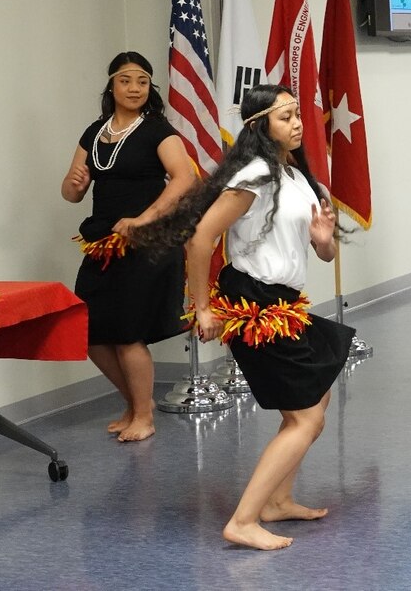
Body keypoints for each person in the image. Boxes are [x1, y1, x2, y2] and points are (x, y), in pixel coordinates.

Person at [133, 84, 354, 551]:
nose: (297, 124)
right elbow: (199, 240)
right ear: (260, 127)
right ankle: (244, 519)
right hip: (254, 299)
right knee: (306, 419)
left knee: (316, 401)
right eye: (287, 117)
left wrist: (323, 237)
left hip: (284, 299)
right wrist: (203, 307)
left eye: (297, 115)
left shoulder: (293, 174)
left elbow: (325, 252)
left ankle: (278, 500)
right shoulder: (255, 175)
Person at [61, 51, 196, 442]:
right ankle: (138, 404)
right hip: (103, 242)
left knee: (127, 332)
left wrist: (144, 219)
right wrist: (72, 183)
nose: (134, 88)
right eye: (125, 80)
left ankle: (143, 417)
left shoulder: (157, 130)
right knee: (91, 330)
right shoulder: (95, 132)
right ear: (112, 86)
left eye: (141, 81)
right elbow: (72, 193)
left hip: (147, 241)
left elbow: (183, 179)